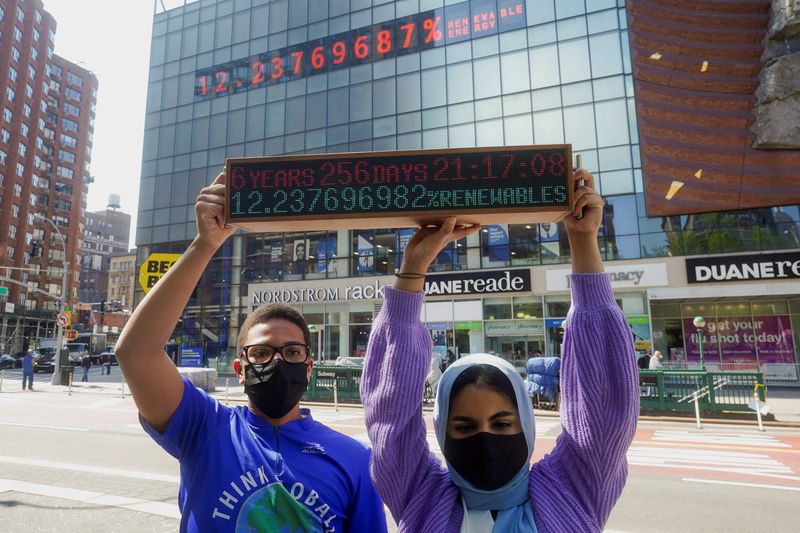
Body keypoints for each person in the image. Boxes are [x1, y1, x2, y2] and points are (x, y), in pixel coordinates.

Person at [361, 169, 639, 532]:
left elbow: (605, 412)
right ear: (443, 432)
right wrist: (413, 267)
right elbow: (390, 416)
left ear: (524, 421)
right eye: (464, 427)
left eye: (502, 423)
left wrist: (583, 238)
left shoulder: (575, 488)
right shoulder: (420, 494)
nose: (486, 440)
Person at [114, 172, 387, 532]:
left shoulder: (354, 460)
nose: (276, 361)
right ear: (240, 369)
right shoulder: (204, 428)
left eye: (291, 353)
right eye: (261, 354)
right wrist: (205, 244)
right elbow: (136, 352)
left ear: (309, 367)